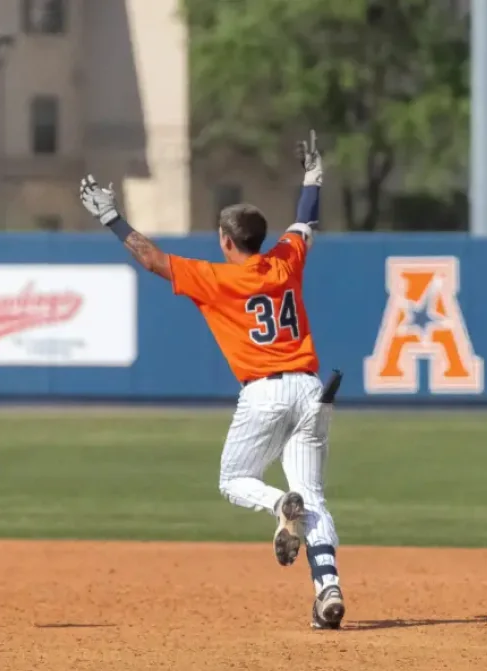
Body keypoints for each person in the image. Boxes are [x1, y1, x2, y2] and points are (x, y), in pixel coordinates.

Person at [78, 131, 344, 630]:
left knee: (235, 480)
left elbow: (151, 258)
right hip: (311, 390)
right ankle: (328, 588)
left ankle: (277, 504)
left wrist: (111, 217)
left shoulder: (217, 279)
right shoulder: (287, 259)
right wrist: (313, 175)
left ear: (226, 242)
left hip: (264, 391)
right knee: (314, 495)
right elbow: (305, 220)